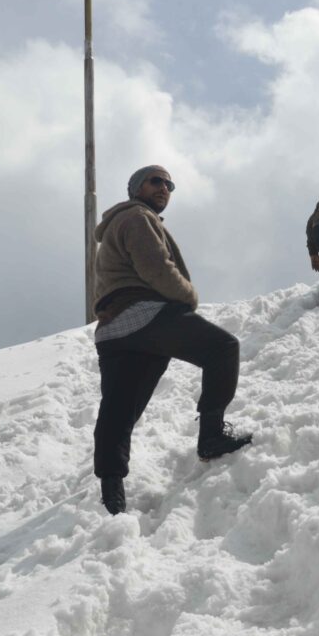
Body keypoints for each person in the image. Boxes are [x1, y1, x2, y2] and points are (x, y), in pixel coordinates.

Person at [91, 165, 252, 515]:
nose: (164, 187)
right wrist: (188, 296)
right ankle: (211, 436)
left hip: (112, 331)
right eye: (155, 181)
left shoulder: (116, 227)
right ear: (136, 188)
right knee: (222, 348)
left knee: (118, 409)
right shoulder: (136, 216)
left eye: (169, 184)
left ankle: (111, 490)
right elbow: (155, 267)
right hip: (145, 314)